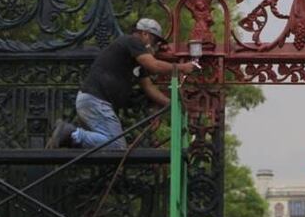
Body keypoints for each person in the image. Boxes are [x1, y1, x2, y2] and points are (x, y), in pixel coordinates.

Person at [46, 18, 195, 150]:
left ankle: (72, 135)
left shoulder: (136, 60)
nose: (155, 46)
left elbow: (149, 88)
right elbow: (154, 65)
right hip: (96, 100)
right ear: (145, 34)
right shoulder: (133, 41)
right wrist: (182, 67)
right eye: (155, 41)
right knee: (117, 146)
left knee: (110, 146)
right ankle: (72, 134)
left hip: (94, 101)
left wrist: (172, 103)